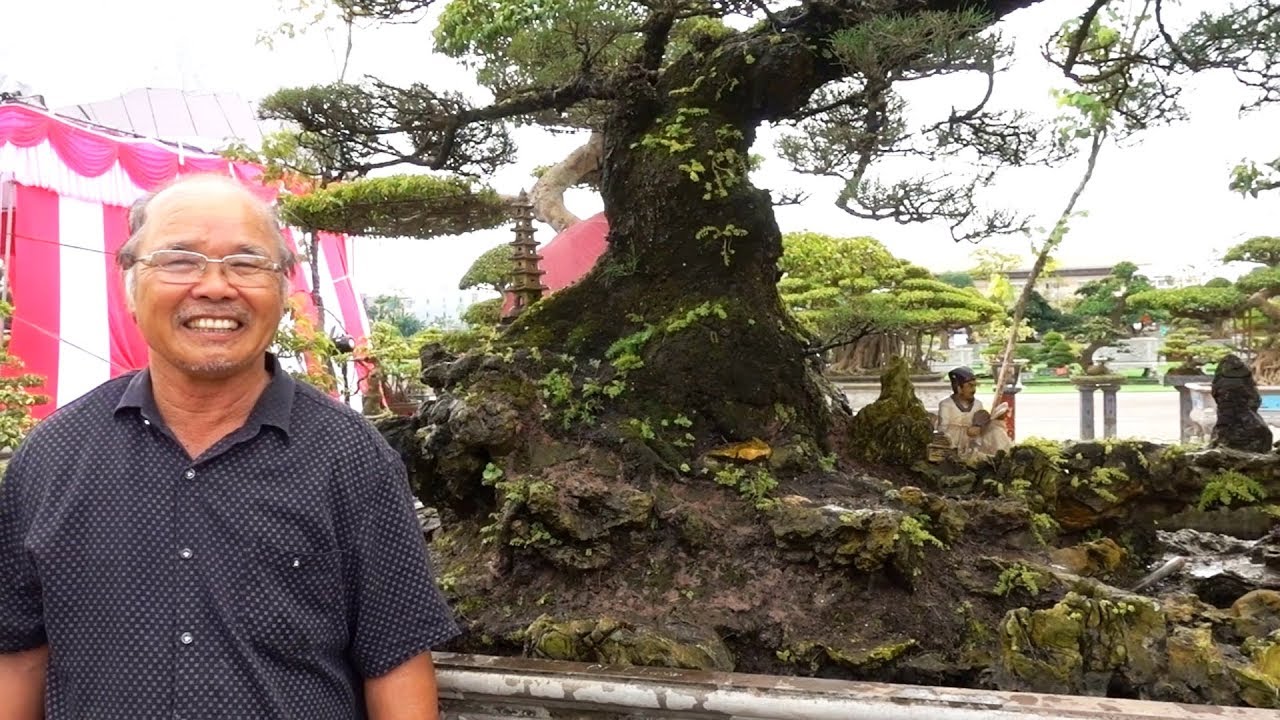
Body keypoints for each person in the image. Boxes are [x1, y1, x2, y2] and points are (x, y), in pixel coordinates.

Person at [0, 174, 458, 719]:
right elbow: (19, 656)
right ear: (129, 281)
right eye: (179, 260)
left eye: (246, 263)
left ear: (285, 289)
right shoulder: (53, 455)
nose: (215, 287)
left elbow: (396, 661)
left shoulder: (351, 456)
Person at [937, 366, 1012, 460]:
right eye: (970, 386)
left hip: (976, 442)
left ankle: (1006, 458)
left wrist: (982, 426)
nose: (973, 389)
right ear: (959, 388)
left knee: (996, 430)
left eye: (975, 385)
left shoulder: (978, 404)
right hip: (955, 444)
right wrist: (966, 432)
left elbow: (981, 423)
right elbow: (943, 430)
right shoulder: (946, 405)